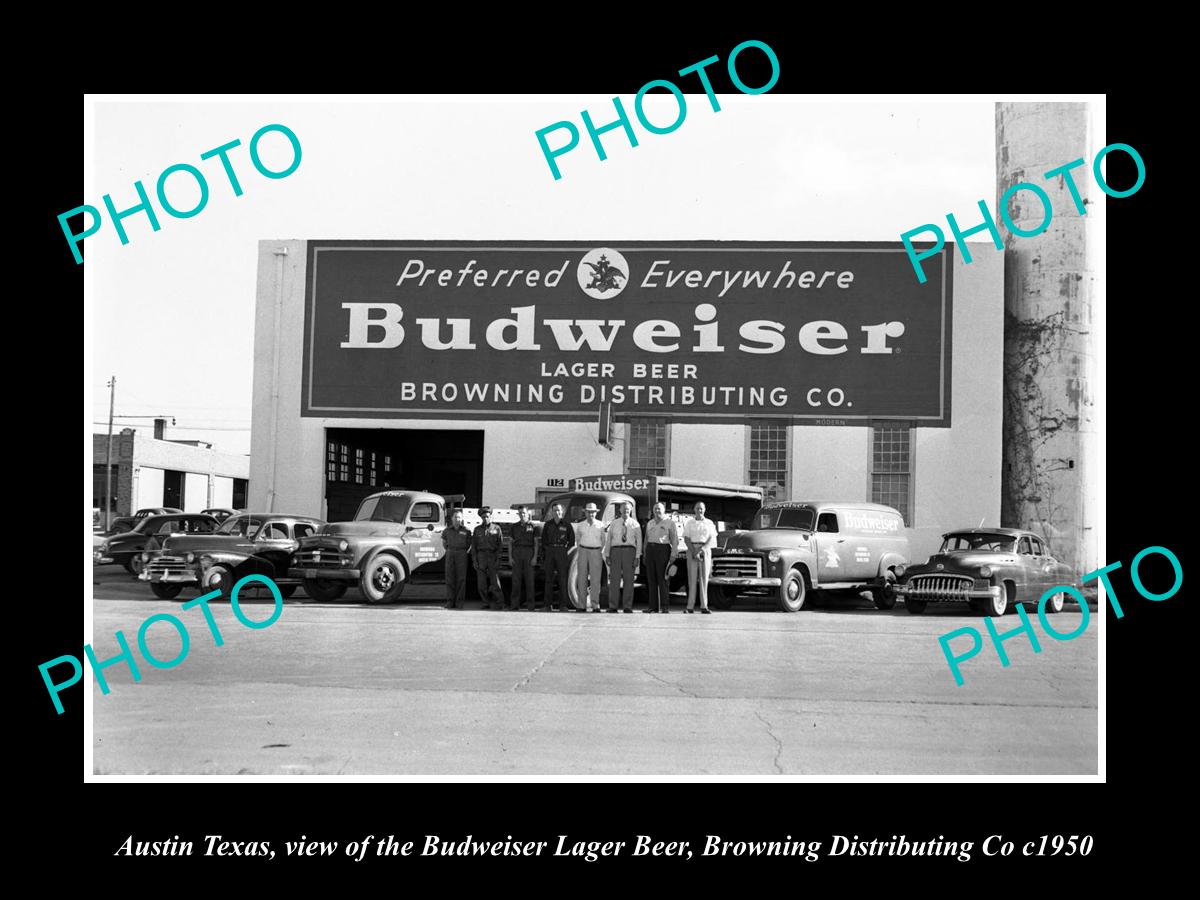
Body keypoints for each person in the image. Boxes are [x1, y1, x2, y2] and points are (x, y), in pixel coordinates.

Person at [603, 501, 641, 613]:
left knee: (629, 580)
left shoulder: (635, 524)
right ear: (620, 510)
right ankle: (613, 606)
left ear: (631, 511)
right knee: (614, 580)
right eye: (624, 509)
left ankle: (627, 606)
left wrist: (637, 556)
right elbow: (609, 539)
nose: (626, 511)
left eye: (628, 509)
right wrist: (607, 554)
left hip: (630, 551)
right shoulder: (614, 523)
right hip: (616, 551)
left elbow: (639, 541)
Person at [642, 502, 679, 613]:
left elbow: (674, 540)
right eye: (655, 509)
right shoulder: (650, 523)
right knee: (651, 580)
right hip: (650, 550)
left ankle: (664, 606)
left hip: (663, 550)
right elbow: (646, 540)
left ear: (664, 510)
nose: (657, 511)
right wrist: (644, 553)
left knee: (663, 580)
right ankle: (652, 607)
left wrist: (673, 554)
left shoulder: (669, 523)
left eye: (659, 509)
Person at [682, 502, 717, 614]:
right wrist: (694, 552)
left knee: (704, 580)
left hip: (705, 550)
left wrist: (701, 550)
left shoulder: (709, 523)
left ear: (704, 510)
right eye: (697, 508)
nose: (699, 510)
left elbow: (711, 538)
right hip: (692, 549)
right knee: (692, 580)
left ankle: (704, 606)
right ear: (694, 509)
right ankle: (690, 607)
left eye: (701, 508)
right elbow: (686, 538)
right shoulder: (689, 523)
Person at [541, 502, 574, 611]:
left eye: (559, 510)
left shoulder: (567, 525)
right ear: (552, 512)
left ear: (562, 512)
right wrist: (547, 552)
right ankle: (547, 605)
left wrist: (564, 552)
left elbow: (571, 542)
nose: (557, 512)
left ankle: (563, 605)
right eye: (555, 510)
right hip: (550, 551)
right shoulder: (547, 525)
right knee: (548, 580)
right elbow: (544, 540)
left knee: (562, 579)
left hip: (561, 551)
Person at [574, 502, 606, 613]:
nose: (590, 514)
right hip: (583, 550)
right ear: (585, 513)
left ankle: (595, 605)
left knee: (595, 580)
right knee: (582, 578)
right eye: (588, 512)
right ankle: (581, 605)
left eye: (592, 512)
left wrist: (599, 551)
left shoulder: (601, 525)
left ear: (596, 513)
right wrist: (581, 550)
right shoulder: (580, 525)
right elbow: (577, 539)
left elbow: (604, 540)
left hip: (596, 551)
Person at [470, 507, 505, 610]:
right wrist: (474, 560)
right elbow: (474, 547)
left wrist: (498, 559)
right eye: (483, 517)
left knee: (495, 582)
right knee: (481, 583)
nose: (486, 518)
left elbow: (500, 545)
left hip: (492, 556)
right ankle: (485, 602)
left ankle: (500, 603)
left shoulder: (497, 528)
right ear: (481, 517)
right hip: (481, 557)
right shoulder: (477, 530)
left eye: (487, 516)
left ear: (491, 516)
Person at [441, 509, 473, 609]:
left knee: (461, 579)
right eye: (455, 517)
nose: (457, 519)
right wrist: (450, 550)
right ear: (452, 518)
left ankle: (459, 602)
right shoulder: (447, 530)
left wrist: (462, 551)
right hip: (450, 553)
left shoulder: (466, 530)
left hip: (462, 554)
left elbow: (469, 544)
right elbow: (444, 543)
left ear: (462, 519)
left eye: (459, 517)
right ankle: (450, 602)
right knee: (450, 578)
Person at [510, 506, 538, 611]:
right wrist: (510, 557)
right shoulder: (514, 527)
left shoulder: (533, 526)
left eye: (524, 513)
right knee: (516, 580)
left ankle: (531, 606)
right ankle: (514, 605)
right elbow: (510, 543)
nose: (522, 515)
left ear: (528, 514)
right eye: (520, 513)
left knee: (529, 580)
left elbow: (536, 543)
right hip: (517, 553)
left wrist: (535, 557)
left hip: (529, 553)